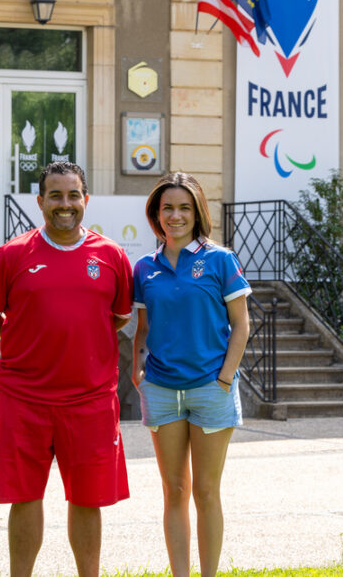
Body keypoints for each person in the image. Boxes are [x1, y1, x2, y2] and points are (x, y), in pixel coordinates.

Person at [0, 161, 133, 577]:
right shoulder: (12, 254)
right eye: (56, 196)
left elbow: (117, 317)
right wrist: (25, 338)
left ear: (86, 200)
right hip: (22, 398)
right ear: (40, 201)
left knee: (87, 498)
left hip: (90, 399)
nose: (65, 205)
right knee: (24, 496)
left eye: (73, 195)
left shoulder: (112, 256)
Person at [131, 172, 250, 577]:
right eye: (168, 208)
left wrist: (224, 379)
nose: (175, 215)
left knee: (206, 491)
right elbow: (143, 328)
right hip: (162, 391)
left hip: (210, 390)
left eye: (184, 207)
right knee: (174, 491)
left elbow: (242, 325)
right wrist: (138, 368)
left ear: (197, 212)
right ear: (156, 213)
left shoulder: (220, 259)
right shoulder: (145, 268)